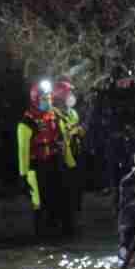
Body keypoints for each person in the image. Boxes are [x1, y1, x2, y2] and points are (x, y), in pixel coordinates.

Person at [17, 80, 75, 237]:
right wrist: (23, 176)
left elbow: (64, 141)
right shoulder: (26, 123)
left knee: (61, 198)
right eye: (44, 99)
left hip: (55, 162)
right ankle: (42, 236)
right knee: (40, 204)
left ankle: (64, 232)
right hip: (36, 168)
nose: (48, 101)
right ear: (35, 99)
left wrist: (71, 166)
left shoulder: (55, 116)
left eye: (49, 98)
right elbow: (23, 151)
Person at [51, 78, 85, 214]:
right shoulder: (53, 113)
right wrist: (71, 131)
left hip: (76, 152)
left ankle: (75, 208)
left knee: (77, 183)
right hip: (62, 155)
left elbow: (78, 128)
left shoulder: (73, 112)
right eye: (68, 92)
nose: (71, 96)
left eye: (70, 92)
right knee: (65, 185)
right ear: (60, 95)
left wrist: (79, 131)